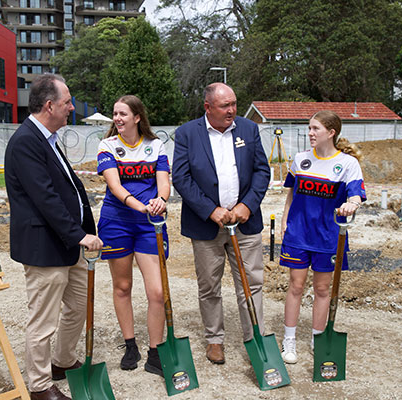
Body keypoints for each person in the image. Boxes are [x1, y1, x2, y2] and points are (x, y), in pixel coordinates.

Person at [4, 74, 103, 400]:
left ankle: (61, 361)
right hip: (45, 246)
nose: (71, 108)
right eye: (66, 103)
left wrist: (85, 231)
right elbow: (44, 197)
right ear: (49, 105)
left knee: (77, 305)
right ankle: (40, 386)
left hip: (68, 242)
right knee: (43, 320)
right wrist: (79, 235)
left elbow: (69, 189)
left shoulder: (47, 138)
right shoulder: (25, 142)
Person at [172, 83, 270, 364]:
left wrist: (247, 205)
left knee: (252, 284)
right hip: (207, 226)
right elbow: (181, 177)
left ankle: (256, 338)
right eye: (225, 105)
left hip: (245, 224)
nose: (232, 110)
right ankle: (214, 339)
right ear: (208, 107)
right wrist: (210, 209)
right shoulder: (188, 134)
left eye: (234, 104)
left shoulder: (248, 130)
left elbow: (262, 171)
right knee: (209, 286)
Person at [279, 110, 366, 364]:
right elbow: (291, 195)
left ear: (331, 133)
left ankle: (318, 338)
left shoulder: (348, 164)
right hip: (298, 233)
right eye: (309, 128)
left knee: (322, 289)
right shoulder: (301, 159)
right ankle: (289, 340)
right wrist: (285, 220)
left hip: (328, 237)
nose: (310, 133)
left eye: (315, 129)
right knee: (295, 286)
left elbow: (356, 194)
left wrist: (352, 204)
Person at [96, 95, 170, 377]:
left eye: (123, 114)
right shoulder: (108, 146)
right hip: (117, 222)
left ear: (137, 117)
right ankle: (130, 345)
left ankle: (155, 351)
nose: (117, 118)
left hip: (150, 224)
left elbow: (164, 183)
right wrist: (139, 205)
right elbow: (114, 186)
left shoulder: (155, 146)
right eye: (115, 113)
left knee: (157, 290)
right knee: (123, 286)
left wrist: (160, 200)